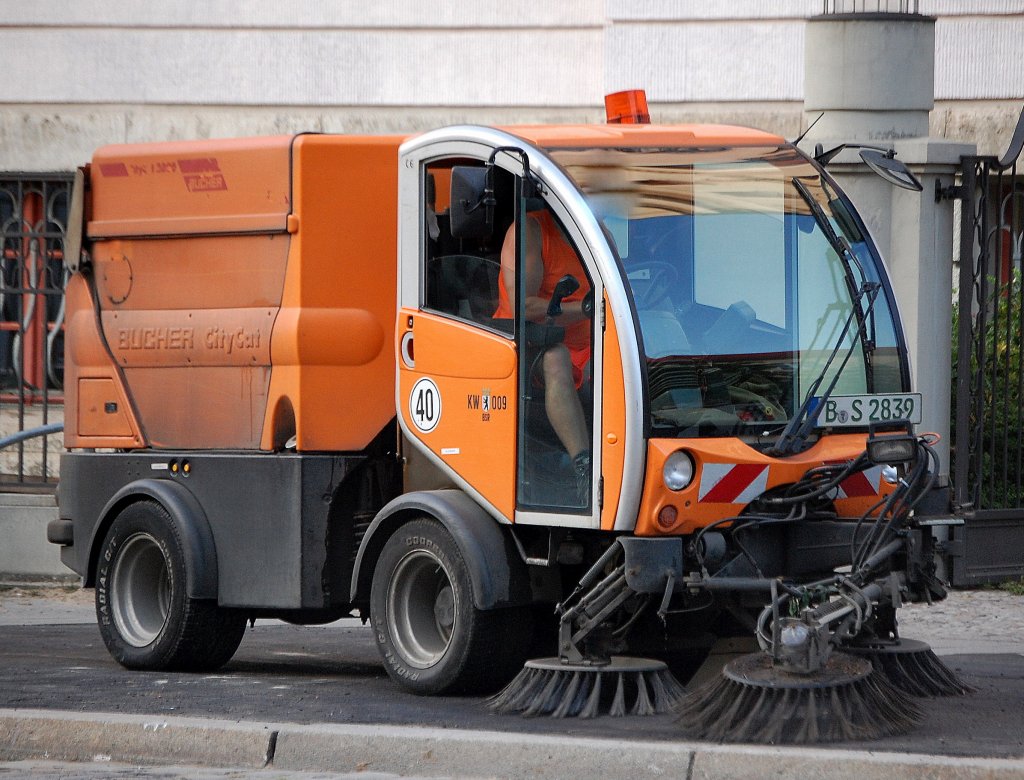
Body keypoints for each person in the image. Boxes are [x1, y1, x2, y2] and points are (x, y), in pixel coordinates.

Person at [494, 207, 593, 501]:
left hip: (591, 342)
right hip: (531, 342)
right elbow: (523, 306)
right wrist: (586, 308)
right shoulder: (530, 232)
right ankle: (585, 469)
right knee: (556, 359)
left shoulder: (598, 235)